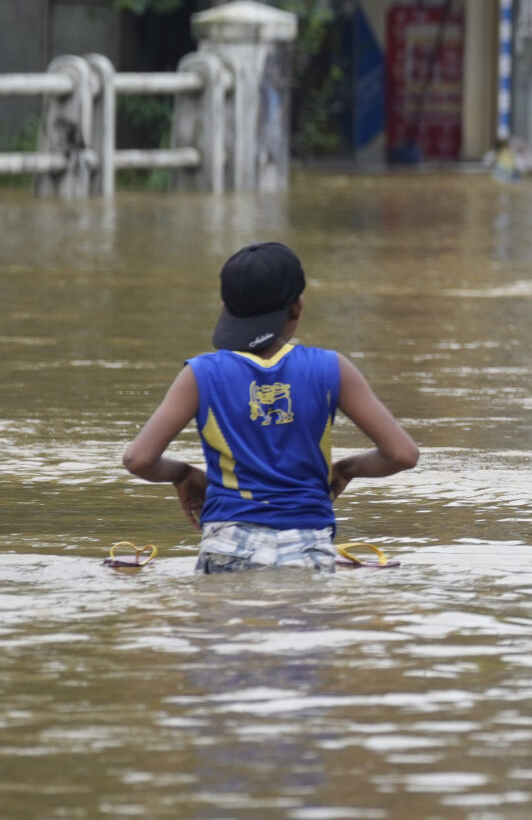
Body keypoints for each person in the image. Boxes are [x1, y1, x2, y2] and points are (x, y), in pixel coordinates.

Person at [117, 242, 421, 573]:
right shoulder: (332, 368)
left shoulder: (200, 373)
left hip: (227, 543)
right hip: (308, 545)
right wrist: (345, 469)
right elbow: (402, 454)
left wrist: (183, 474)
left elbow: (138, 460)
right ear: (297, 307)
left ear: (224, 307)